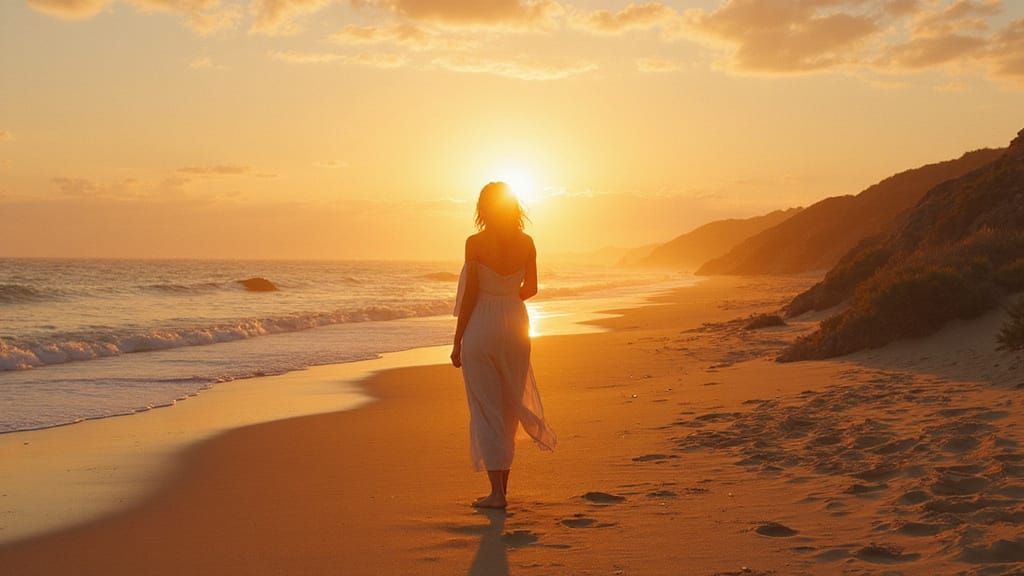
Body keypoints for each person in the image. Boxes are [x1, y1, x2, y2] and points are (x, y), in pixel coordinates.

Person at [451, 181, 557, 509]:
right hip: (516, 325)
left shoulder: (475, 242)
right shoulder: (526, 243)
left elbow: (470, 295)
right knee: (510, 406)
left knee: (486, 408)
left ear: (483, 208)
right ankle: (503, 493)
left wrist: (457, 342)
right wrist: (508, 297)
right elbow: (534, 287)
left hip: (482, 324)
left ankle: (496, 494)